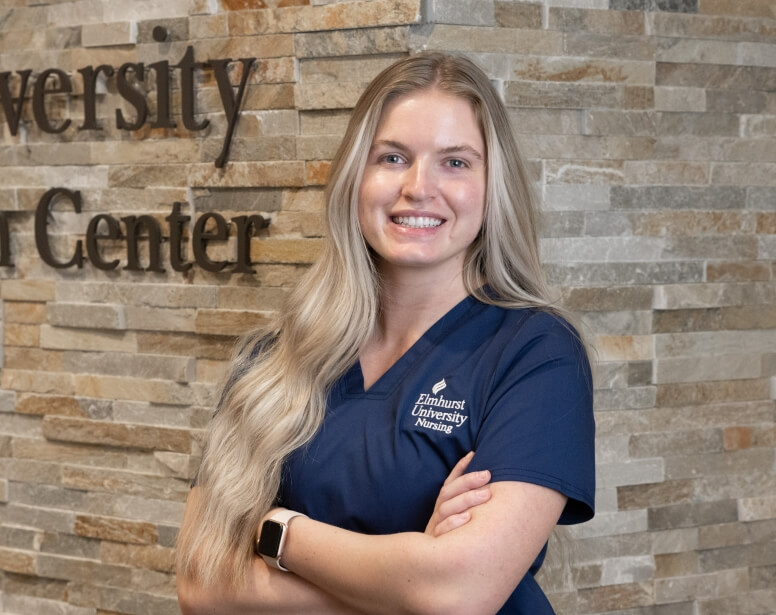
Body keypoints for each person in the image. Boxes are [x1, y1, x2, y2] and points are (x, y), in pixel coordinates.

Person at [175, 52, 595, 615]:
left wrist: (278, 534)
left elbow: (460, 592)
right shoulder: (274, 359)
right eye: (393, 157)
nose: (419, 188)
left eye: (456, 162)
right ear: (357, 175)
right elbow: (200, 586)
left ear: (494, 185)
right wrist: (408, 578)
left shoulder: (535, 355)